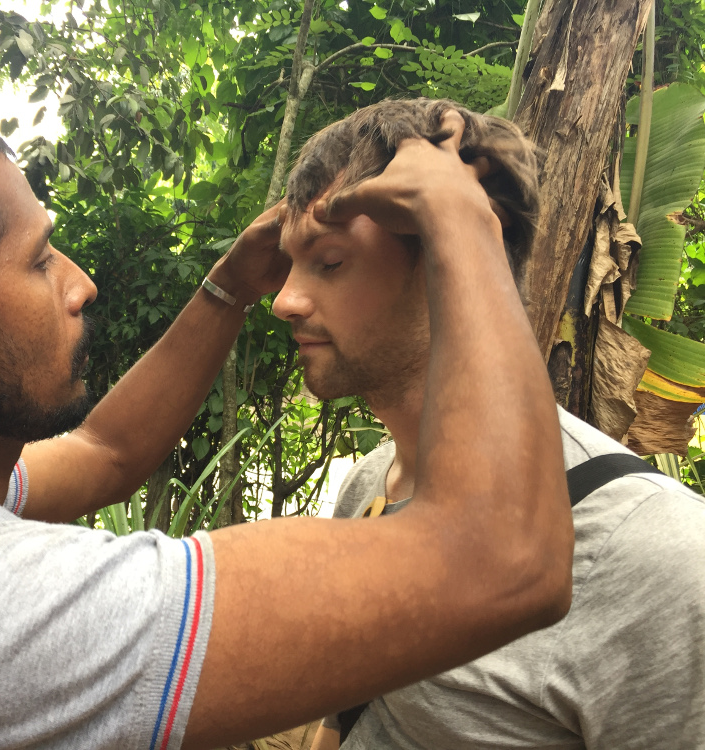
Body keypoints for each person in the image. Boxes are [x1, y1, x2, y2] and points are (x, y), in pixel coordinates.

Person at [0, 105, 572, 750]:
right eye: (40, 258)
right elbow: (500, 560)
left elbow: (106, 454)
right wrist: (466, 223)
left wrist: (230, 286)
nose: (80, 282)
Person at [274, 99, 705, 750]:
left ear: (457, 252)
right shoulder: (367, 487)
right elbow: (346, 717)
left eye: (330, 262)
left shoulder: (654, 559)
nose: (283, 300)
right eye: (288, 264)